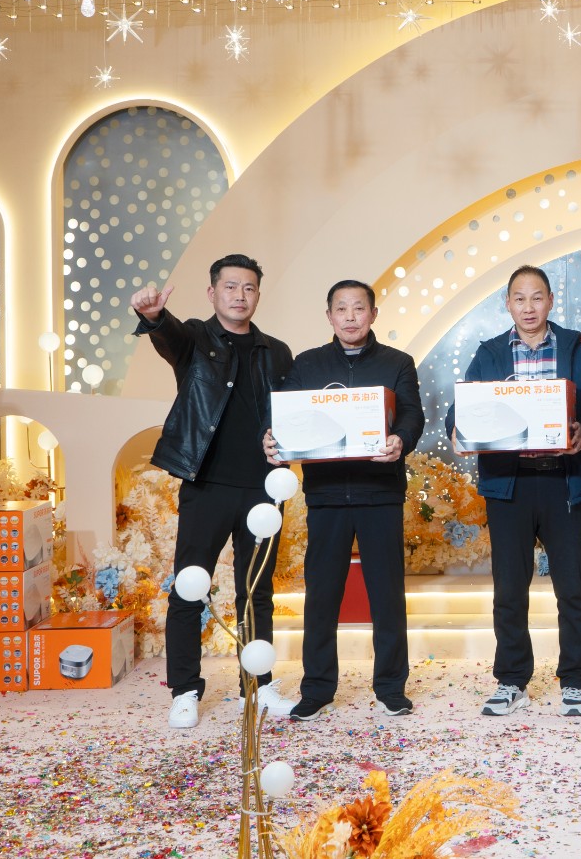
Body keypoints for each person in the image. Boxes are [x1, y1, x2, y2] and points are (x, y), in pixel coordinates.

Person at [131, 254, 296, 729]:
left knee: (256, 590)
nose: (240, 295)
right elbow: (168, 334)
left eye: (249, 288)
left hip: (263, 488)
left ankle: (258, 686)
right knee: (189, 587)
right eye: (230, 287)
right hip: (206, 484)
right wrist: (154, 316)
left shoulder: (276, 351)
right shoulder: (194, 339)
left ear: (258, 295)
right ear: (212, 293)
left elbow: (290, 412)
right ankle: (184, 690)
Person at [265, 280, 424, 720]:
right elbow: (284, 414)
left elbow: (413, 413)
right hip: (327, 494)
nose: (350, 317)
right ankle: (317, 689)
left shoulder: (397, 362)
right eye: (342, 308)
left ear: (373, 314)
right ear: (329, 316)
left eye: (359, 308)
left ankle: (390, 687)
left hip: (380, 493)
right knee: (321, 596)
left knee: (387, 596)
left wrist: (400, 439)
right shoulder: (307, 364)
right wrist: (270, 437)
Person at [445, 265, 581, 717]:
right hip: (508, 483)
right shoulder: (490, 352)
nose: (528, 307)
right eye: (519, 298)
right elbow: (462, 406)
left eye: (536, 298)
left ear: (550, 300)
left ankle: (574, 682)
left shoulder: (579, 347)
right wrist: (457, 428)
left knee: (573, 589)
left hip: (563, 481)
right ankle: (512, 679)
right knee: (509, 589)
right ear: (508, 304)